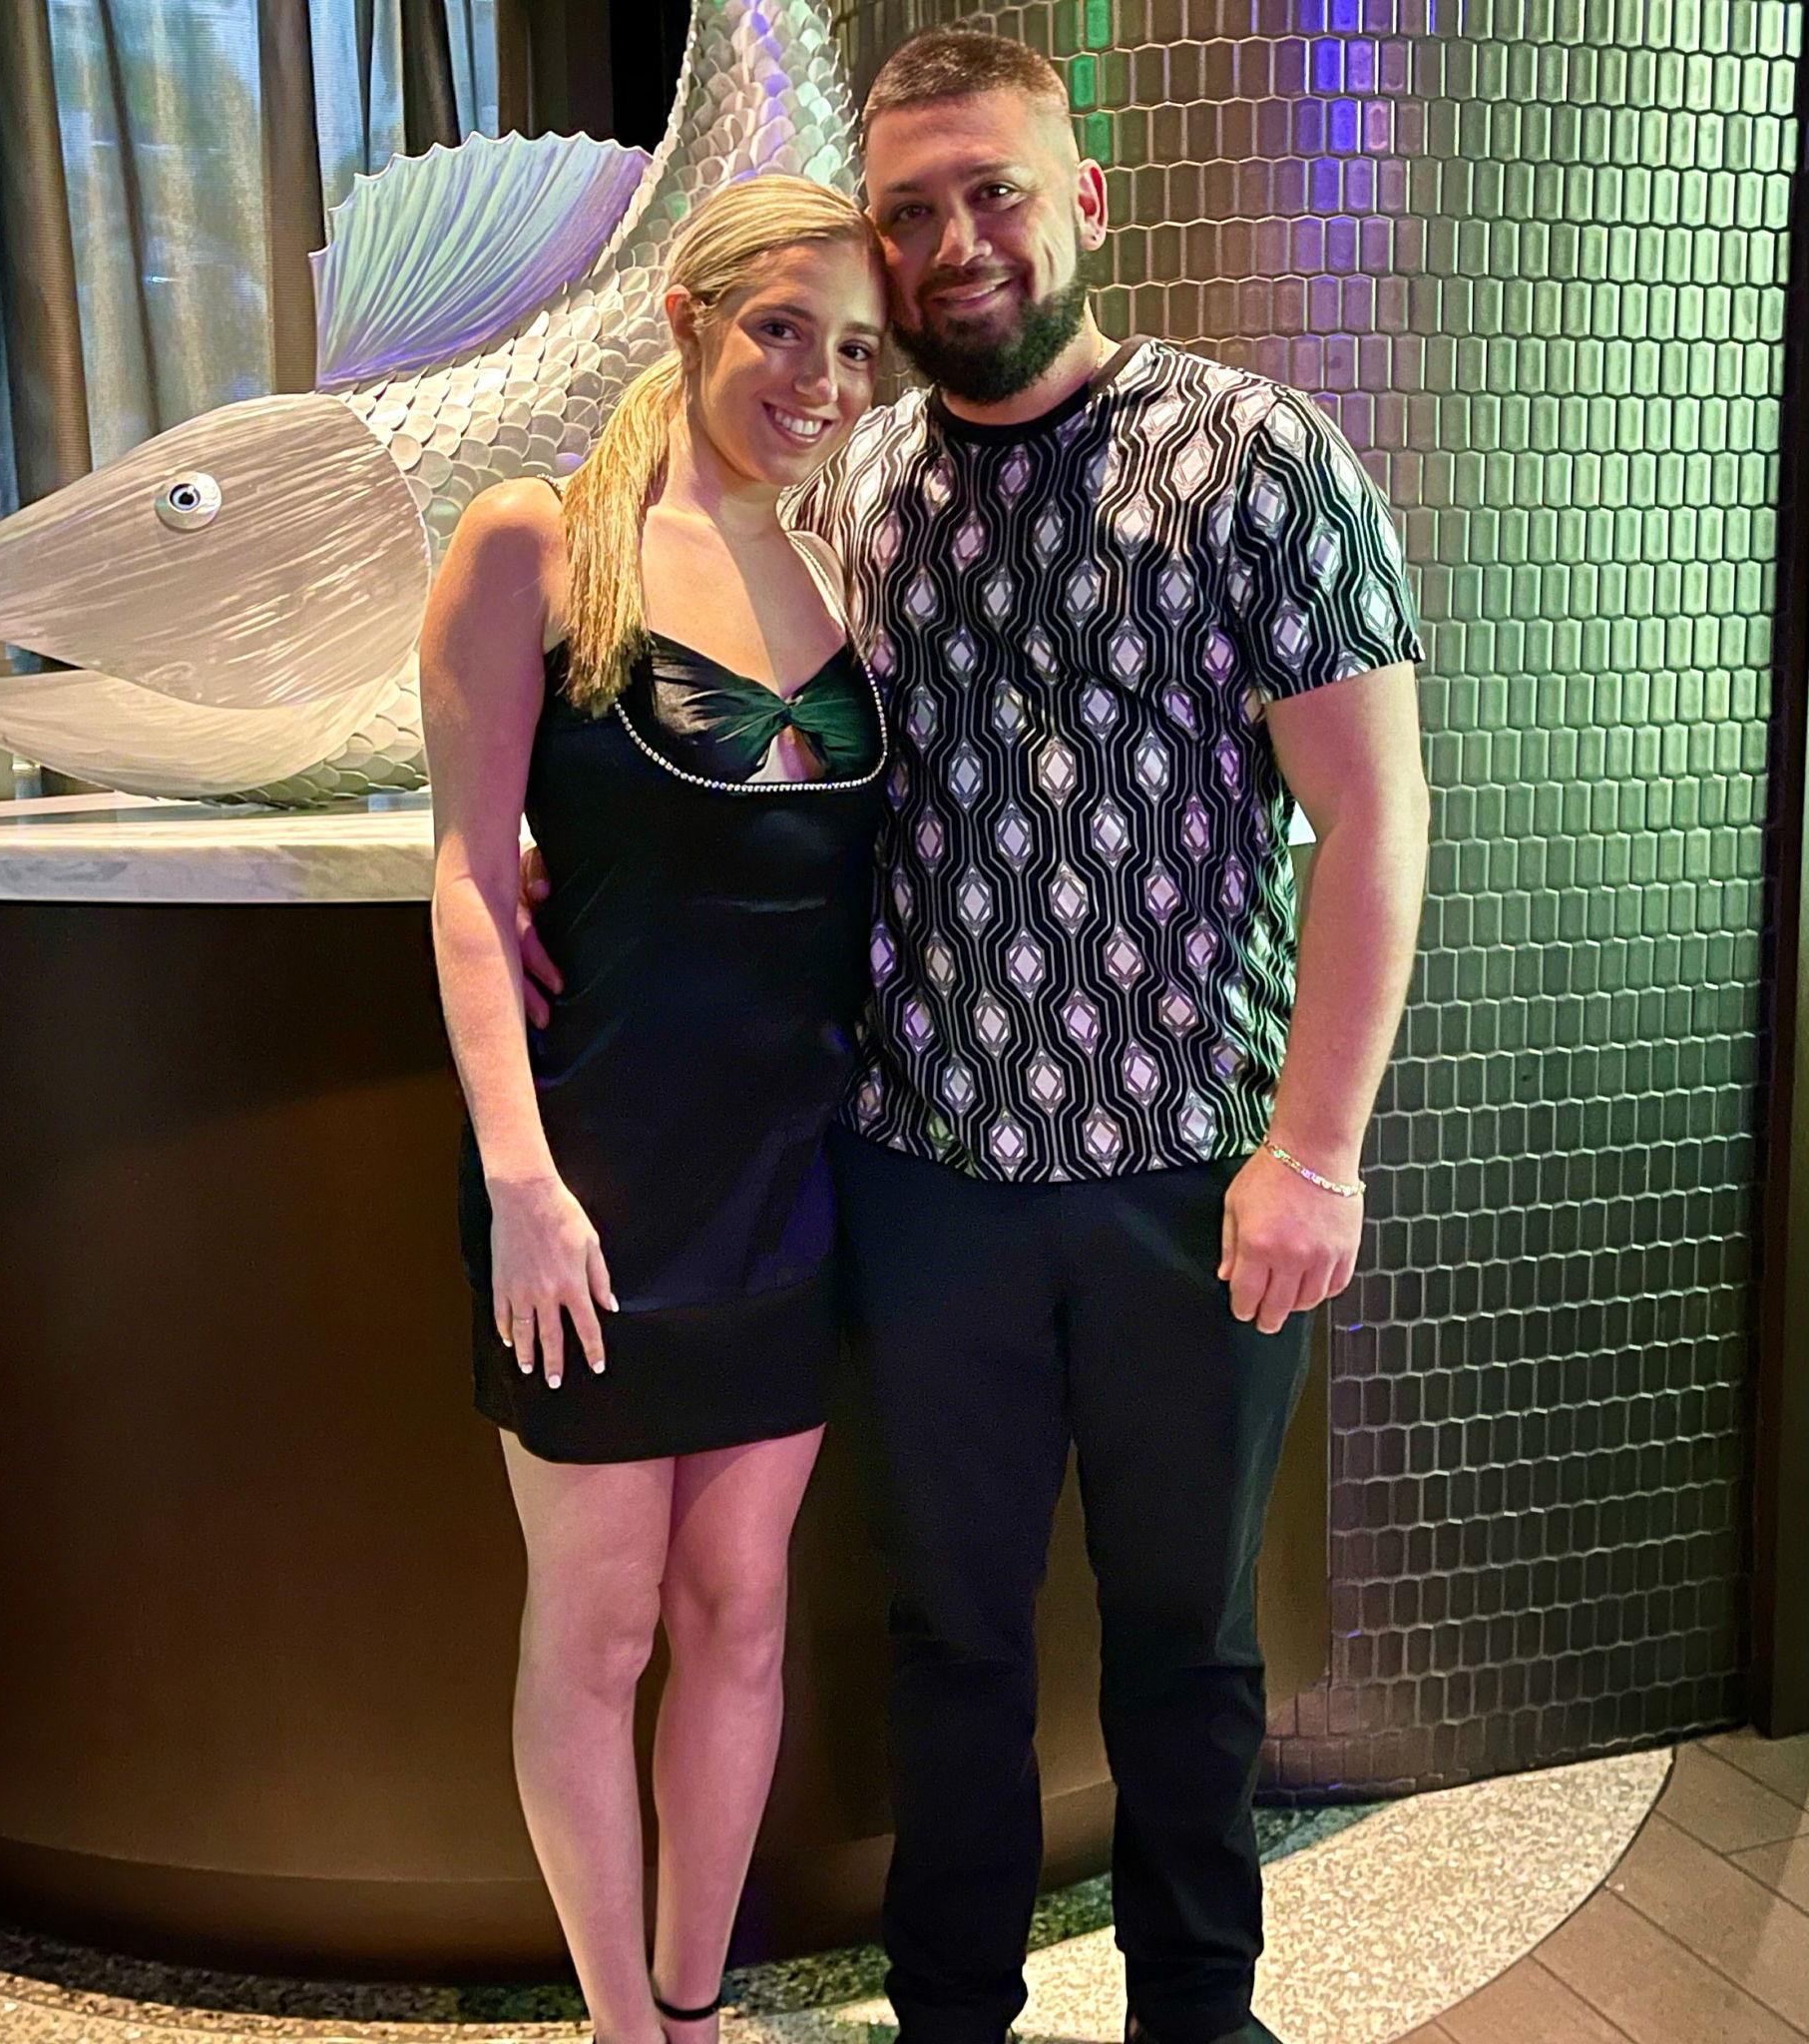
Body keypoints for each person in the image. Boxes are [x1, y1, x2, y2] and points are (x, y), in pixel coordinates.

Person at [527, 28, 1428, 2044]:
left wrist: (1315, 1151)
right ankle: (949, 2014)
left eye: (993, 193)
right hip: (919, 1173)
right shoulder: (852, 490)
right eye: (912, 211)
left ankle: (1200, 2014)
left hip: (1191, 1176)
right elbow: (698, 705)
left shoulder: (1255, 457)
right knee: (947, 1637)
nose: (955, 244)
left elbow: (1377, 815)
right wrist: (529, 839)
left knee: (1184, 1644)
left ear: (1080, 199)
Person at [419, 175, 888, 2044]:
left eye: (855, 348)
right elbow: (469, 880)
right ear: (686, 317)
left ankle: (694, 2012)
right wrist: (520, 1182)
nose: (818, 378)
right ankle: (624, 2028)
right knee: (601, 1627)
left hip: (794, 1182)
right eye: (782, 328)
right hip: (594, 1182)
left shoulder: (844, 569)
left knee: (741, 1610)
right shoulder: (534, 541)